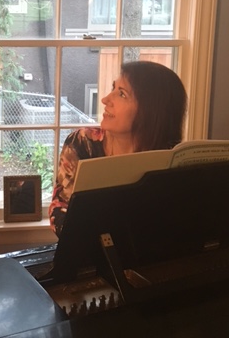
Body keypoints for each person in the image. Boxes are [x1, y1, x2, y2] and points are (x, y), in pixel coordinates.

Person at [49, 61, 187, 237]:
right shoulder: (82, 142)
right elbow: (59, 210)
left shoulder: (174, 158)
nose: (105, 99)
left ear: (150, 111)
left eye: (122, 94)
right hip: (91, 250)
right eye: (113, 88)